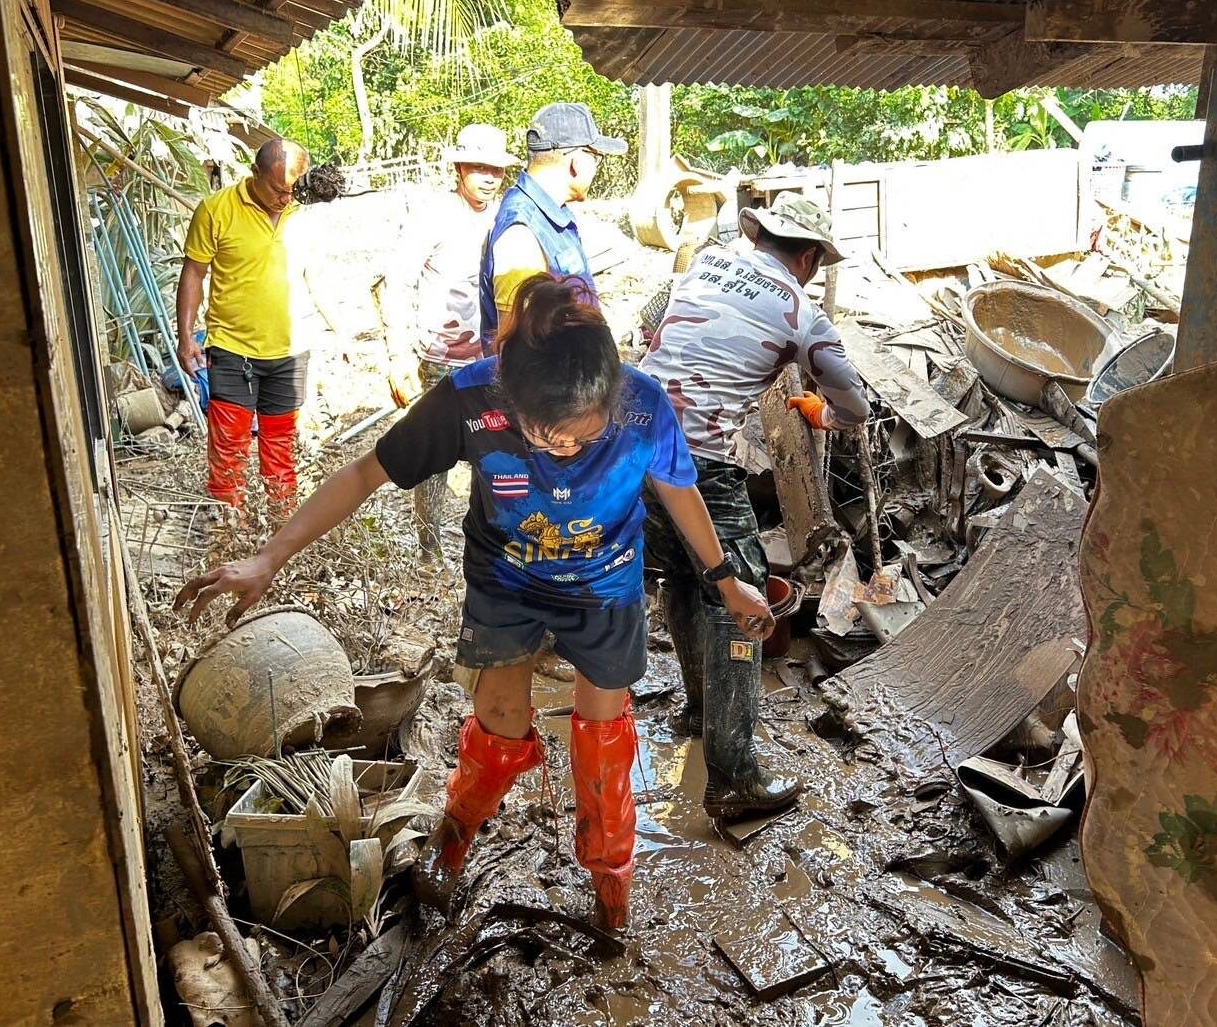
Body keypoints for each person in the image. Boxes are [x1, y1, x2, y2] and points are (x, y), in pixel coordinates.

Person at [174, 276, 773, 931]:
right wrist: (268, 557)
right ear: (509, 395)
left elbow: (681, 491)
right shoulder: (466, 399)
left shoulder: (645, 405)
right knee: (499, 720)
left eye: (581, 433)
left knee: (605, 734)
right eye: (544, 434)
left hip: (606, 585)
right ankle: (455, 835)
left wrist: (723, 579)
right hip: (507, 582)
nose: (564, 449)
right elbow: (362, 473)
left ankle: (610, 883)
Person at [641, 192, 871, 820]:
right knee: (742, 604)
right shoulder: (800, 309)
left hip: (626, 444)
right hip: (696, 465)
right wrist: (819, 411)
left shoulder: (704, 265)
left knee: (693, 581)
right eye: (816, 265)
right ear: (805, 258)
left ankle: (700, 709)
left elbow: (647, 327)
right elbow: (856, 404)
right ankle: (735, 777)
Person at [385, 124, 518, 561]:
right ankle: (429, 547)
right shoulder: (434, 215)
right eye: (478, 167)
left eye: (495, 170)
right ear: (459, 168)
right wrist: (396, 351)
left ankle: (489, 542)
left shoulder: (505, 217)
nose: (487, 177)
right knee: (433, 453)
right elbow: (398, 282)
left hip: (490, 357)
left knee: (494, 453)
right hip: (438, 355)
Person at [176, 138, 313, 513]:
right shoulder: (216, 210)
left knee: (281, 451)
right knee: (228, 453)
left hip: (290, 350)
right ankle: (228, 535)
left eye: (292, 191)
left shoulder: (301, 213)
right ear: (254, 174)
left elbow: (313, 275)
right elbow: (193, 274)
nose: (286, 198)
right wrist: (185, 336)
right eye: (278, 189)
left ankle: (280, 536)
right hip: (233, 350)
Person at [477, 103, 627, 351]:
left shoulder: (553, 215)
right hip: (554, 386)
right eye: (596, 158)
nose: (596, 169)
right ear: (576, 162)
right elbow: (513, 349)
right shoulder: (522, 233)